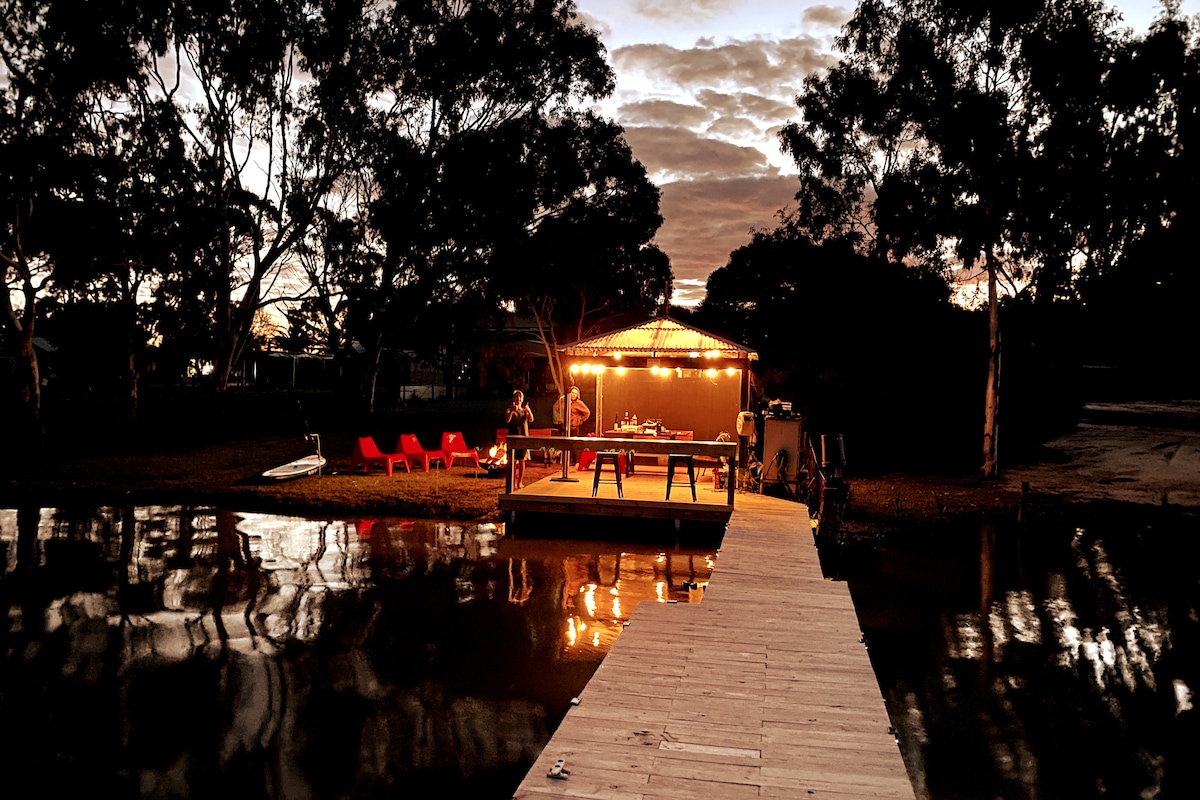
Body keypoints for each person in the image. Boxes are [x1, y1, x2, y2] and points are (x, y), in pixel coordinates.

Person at [504, 389, 534, 488]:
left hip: (523, 438)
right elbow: (507, 420)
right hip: (513, 438)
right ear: (513, 399)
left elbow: (531, 419)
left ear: (522, 399)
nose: (518, 399)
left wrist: (528, 410)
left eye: (520, 397)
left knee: (522, 460)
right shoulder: (510, 410)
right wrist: (512, 412)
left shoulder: (524, 410)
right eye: (516, 397)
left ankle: (519, 482)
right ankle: (512, 482)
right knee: (512, 461)